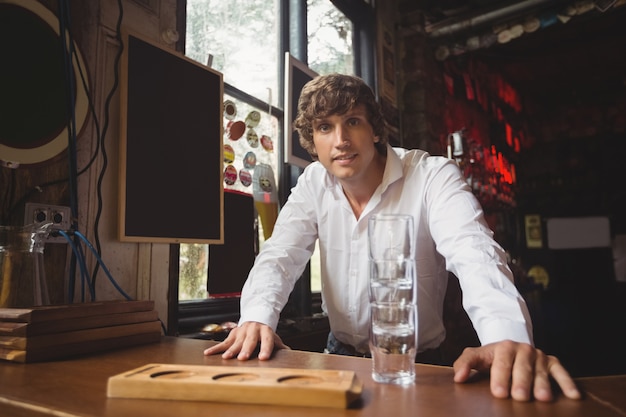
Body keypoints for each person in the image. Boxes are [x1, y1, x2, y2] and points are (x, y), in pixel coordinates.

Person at [204, 73, 581, 402]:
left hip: (419, 360)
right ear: (311, 140)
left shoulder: (433, 175)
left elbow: (475, 251)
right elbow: (280, 256)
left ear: (375, 129)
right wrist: (256, 318)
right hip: (340, 356)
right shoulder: (313, 183)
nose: (340, 140)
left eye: (352, 121)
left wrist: (506, 336)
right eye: (324, 127)